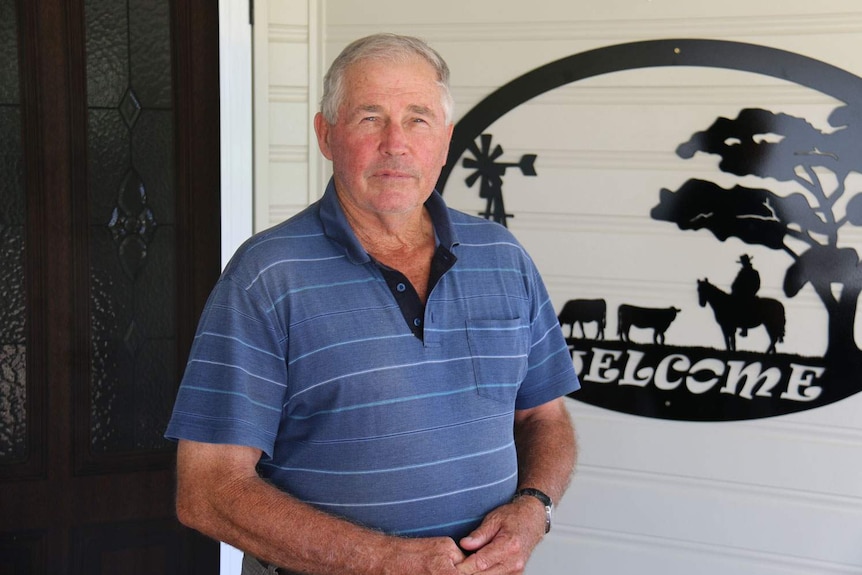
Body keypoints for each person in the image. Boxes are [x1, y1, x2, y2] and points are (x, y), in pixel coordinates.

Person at [166, 33, 579, 575]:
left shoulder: (503, 257)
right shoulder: (267, 275)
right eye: (369, 117)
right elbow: (207, 490)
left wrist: (534, 507)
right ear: (325, 134)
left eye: (418, 119)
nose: (395, 143)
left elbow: (545, 418)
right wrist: (386, 561)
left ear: (446, 138)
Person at [730, 254, 760, 336]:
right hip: (738, 294)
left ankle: (744, 328)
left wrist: (749, 292)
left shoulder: (753, 273)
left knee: (745, 307)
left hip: (748, 295)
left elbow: (756, 285)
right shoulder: (741, 273)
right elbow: (735, 284)